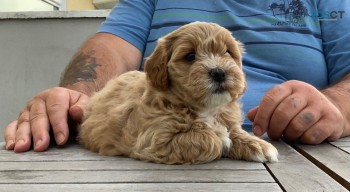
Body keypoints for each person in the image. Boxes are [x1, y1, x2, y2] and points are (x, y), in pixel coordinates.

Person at [4, 0, 350, 152]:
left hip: (296, 151)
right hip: (156, 150)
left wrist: (334, 105)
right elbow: (110, 47)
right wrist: (77, 95)